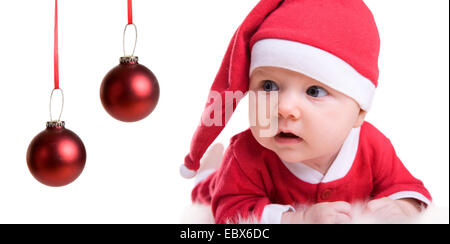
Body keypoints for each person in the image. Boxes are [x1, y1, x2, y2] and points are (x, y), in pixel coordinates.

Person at [180, 0, 432, 224]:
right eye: (268, 86)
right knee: (208, 189)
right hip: (220, 187)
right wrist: (296, 219)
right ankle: (208, 171)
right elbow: (229, 213)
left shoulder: (373, 147)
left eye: (314, 91)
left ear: (359, 113)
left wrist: (403, 207)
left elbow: (408, 187)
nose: (285, 108)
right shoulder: (246, 154)